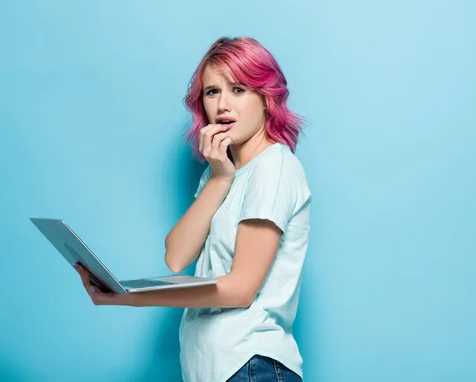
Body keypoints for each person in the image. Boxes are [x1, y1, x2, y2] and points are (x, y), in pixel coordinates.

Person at [74, 36, 311, 382]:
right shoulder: (222, 172)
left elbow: (240, 288)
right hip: (214, 369)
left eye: (239, 89)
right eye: (212, 91)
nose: (223, 105)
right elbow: (176, 255)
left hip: (250, 365)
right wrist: (219, 179)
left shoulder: (273, 167)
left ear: (266, 98)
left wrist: (128, 298)